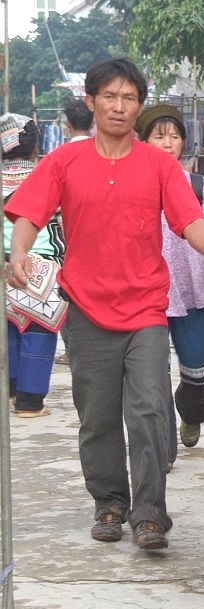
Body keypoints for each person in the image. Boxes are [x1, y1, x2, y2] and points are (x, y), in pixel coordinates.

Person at [5, 58, 204, 551]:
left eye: (129, 98)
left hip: (147, 307)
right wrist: (19, 250)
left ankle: (150, 515)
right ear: (91, 101)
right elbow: (29, 211)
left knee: (150, 409)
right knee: (98, 415)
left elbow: (187, 218)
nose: (119, 106)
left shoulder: (159, 165)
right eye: (110, 96)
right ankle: (109, 502)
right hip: (86, 309)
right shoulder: (64, 161)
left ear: (139, 106)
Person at [135, 104, 204, 455]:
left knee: (195, 373)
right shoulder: (133, 184)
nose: (168, 142)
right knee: (152, 381)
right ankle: (162, 450)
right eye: (159, 136)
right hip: (149, 297)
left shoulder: (200, 186)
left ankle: (191, 414)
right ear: (143, 141)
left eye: (174, 136)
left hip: (191, 293)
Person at [2, 113, 65, 417]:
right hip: (42, 268)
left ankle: (12, 392)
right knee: (39, 332)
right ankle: (30, 402)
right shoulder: (45, 176)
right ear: (35, 143)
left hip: (5, 265)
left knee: (10, 330)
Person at [55, 98, 94, 366]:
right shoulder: (102, 154)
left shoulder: (60, 157)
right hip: (99, 234)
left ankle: (73, 350)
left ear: (67, 124)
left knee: (70, 292)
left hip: (67, 235)